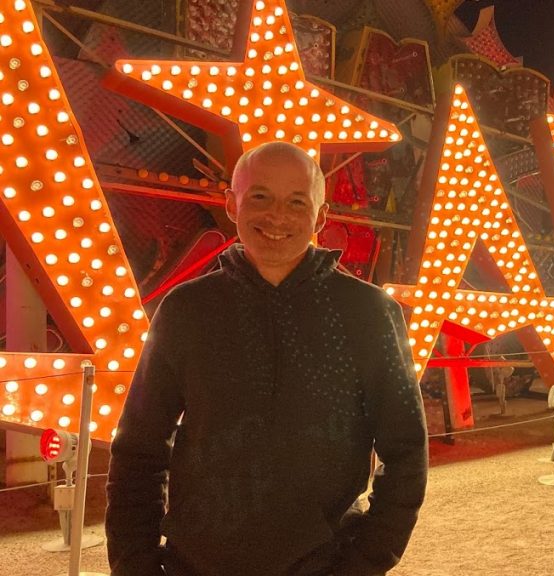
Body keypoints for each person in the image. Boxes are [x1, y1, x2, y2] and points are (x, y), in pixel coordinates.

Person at [105, 141, 428, 576]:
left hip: (324, 566)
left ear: (321, 216)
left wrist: (363, 564)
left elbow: (406, 453)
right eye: (260, 197)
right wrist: (136, 566)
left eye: (297, 201)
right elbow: (138, 452)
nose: (277, 216)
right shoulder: (187, 310)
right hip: (194, 566)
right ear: (231, 204)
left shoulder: (368, 313)